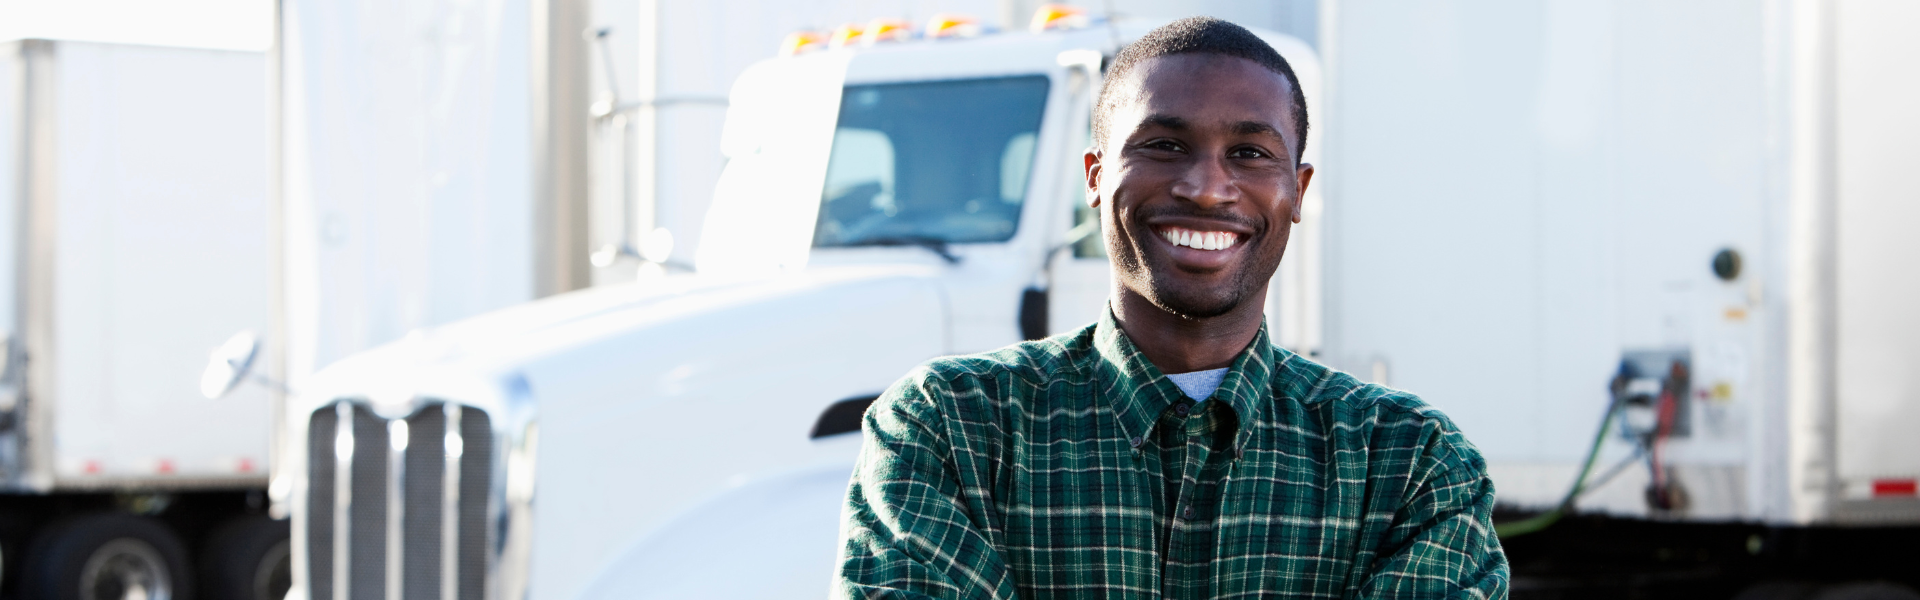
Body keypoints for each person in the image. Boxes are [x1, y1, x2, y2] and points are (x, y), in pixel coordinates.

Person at [834, 17, 1508, 599]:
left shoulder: (1411, 463)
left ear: (1297, 191)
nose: (1207, 187)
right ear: (1097, 177)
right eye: (1163, 145)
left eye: (1249, 152)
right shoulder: (949, 429)